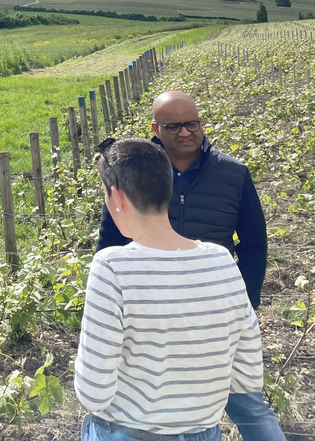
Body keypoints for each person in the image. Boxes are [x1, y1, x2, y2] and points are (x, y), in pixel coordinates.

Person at [95, 91, 284, 441]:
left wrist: (245, 302)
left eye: (192, 123)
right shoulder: (135, 174)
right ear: (155, 128)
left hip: (212, 309)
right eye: (173, 126)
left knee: (248, 405)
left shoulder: (234, 174)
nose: (185, 132)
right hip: (151, 313)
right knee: (156, 401)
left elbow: (255, 244)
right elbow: (111, 239)